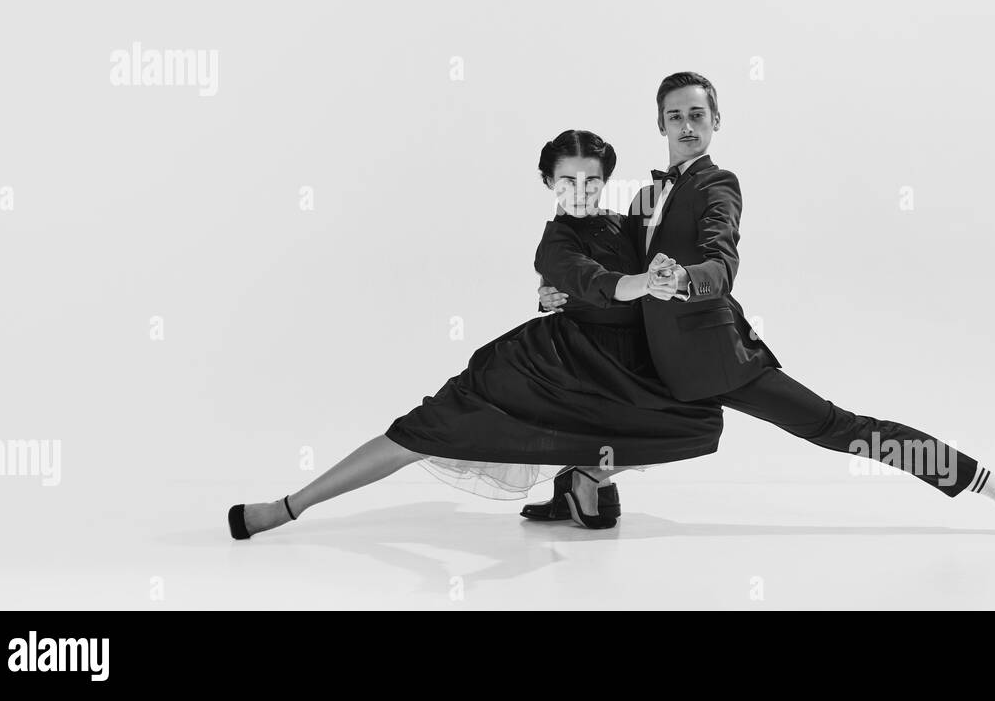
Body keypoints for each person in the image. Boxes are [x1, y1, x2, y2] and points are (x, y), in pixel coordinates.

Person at [529, 72, 995, 544]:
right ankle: (579, 481)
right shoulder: (646, 196)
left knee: (839, 428)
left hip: (716, 357)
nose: (686, 125)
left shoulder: (717, 185)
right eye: (674, 116)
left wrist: (687, 279)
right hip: (653, 359)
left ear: (715, 120)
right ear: (659, 123)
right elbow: (605, 256)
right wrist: (554, 287)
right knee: (617, 415)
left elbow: (721, 261)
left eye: (696, 114)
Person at [227, 129, 722, 539]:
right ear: (548, 181)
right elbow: (592, 280)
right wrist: (635, 285)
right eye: (567, 180)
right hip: (546, 366)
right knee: (418, 435)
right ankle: (287, 506)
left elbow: (643, 249)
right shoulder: (556, 241)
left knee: (700, 421)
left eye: (592, 181)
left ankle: (585, 475)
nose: (580, 190)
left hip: (619, 365)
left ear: (605, 181)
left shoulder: (626, 225)